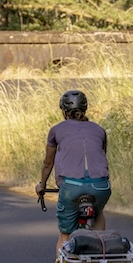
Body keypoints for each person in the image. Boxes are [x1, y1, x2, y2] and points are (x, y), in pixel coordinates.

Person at [35, 90, 111, 252]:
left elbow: (48, 163)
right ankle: (100, 253)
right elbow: (101, 157)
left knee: (65, 234)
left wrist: (42, 185)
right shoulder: (99, 130)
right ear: (85, 109)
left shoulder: (56, 130)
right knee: (98, 214)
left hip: (71, 186)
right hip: (101, 186)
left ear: (63, 110)